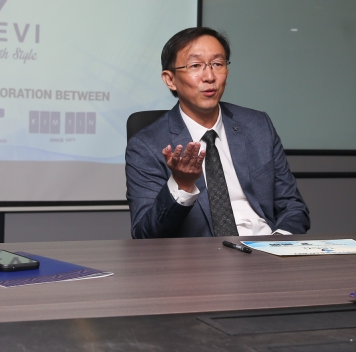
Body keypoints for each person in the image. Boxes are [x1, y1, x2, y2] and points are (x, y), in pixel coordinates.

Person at [126, 27, 309, 238]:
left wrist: (278, 244)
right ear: (170, 79)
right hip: (204, 262)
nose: (210, 76)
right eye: (195, 66)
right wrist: (182, 185)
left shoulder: (258, 126)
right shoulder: (147, 144)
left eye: (217, 64)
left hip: (269, 250)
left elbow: (293, 207)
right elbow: (144, 234)